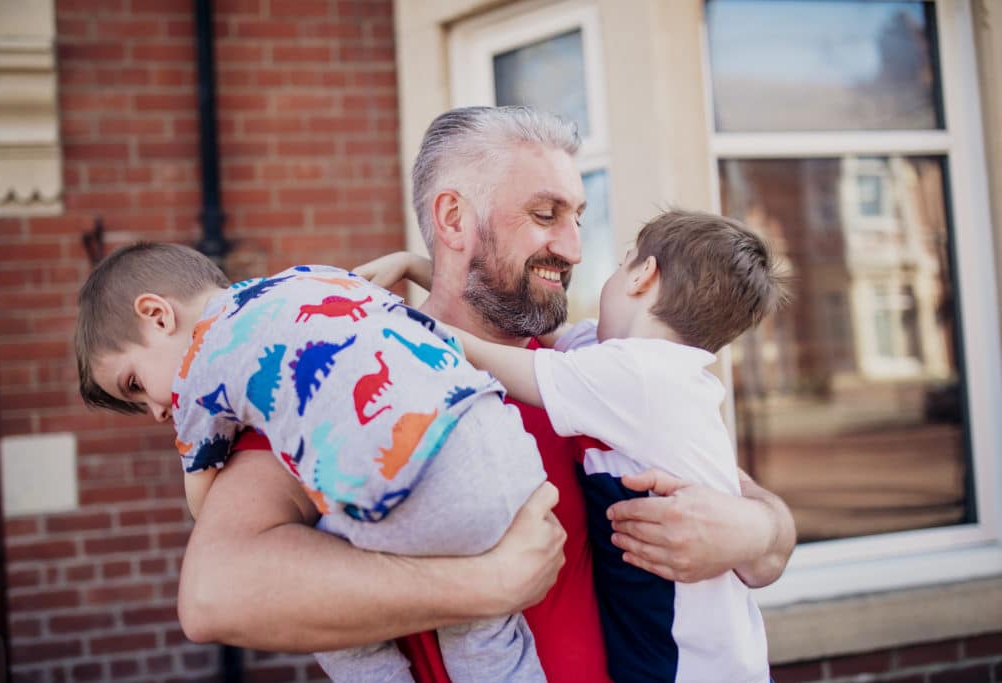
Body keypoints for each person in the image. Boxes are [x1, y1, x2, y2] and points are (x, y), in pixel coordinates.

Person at [176, 106, 797, 681]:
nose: (576, 248)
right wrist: (486, 586)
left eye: (578, 216)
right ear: (453, 219)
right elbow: (212, 596)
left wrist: (752, 530)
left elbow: (759, 528)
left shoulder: (582, 369)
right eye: (545, 214)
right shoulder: (344, 395)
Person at [74, 243, 550, 682]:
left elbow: (202, 501)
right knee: (484, 635)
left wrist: (202, 440)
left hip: (423, 485)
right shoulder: (312, 277)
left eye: (135, 384)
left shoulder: (200, 365)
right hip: (502, 445)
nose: (157, 411)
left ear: (157, 315)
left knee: (320, 595)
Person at [363, 209, 785, 681]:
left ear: (643, 276)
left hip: (692, 658)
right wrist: (416, 267)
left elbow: (503, 361)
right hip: (688, 636)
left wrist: (390, 319)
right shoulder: (641, 369)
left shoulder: (640, 376)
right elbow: (551, 335)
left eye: (623, 262)